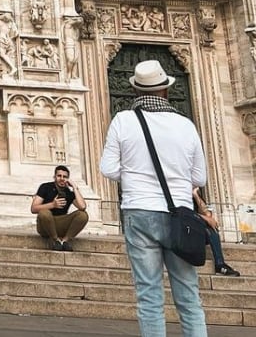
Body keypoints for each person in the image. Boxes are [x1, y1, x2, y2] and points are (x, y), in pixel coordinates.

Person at [100, 59, 208, 337]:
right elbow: (200, 178)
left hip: (139, 212)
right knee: (189, 297)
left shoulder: (123, 120)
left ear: (136, 91)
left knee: (149, 296)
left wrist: (136, 175)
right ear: (166, 91)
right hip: (180, 215)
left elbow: (108, 169)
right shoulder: (186, 125)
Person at [30, 164, 88, 251]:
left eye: (65, 177)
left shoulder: (68, 192)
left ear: (67, 179)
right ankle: (55, 240)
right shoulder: (45, 187)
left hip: (61, 223)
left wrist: (75, 188)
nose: (62, 178)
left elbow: (82, 207)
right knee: (44, 212)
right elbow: (33, 209)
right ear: (54, 177)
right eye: (59, 176)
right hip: (45, 226)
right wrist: (52, 205)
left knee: (83, 215)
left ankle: (65, 241)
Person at [192, 189, 241, 277]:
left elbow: (208, 214)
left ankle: (220, 264)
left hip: (197, 232)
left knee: (211, 229)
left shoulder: (194, 196)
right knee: (207, 225)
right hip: (184, 231)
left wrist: (196, 195)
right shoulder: (180, 196)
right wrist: (206, 218)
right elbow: (183, 214)